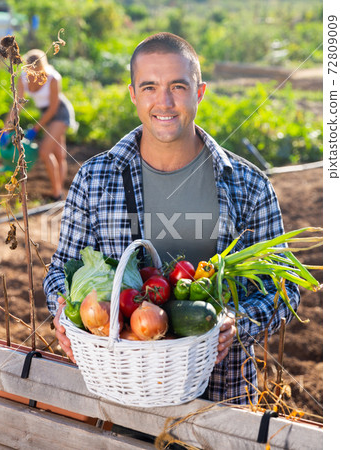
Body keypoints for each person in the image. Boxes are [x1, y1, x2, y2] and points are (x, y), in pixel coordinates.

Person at [43, 33, 300, 405]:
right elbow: (60, 271)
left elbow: (283, 288)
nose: (164, 102)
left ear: (200, 91)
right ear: (133, 94)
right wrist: (63, 313)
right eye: (150, 87)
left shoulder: (249, 185)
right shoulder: (95, 177)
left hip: (221, 392)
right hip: (120, 392)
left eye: (178, 86)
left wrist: (233, 324)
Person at [17, 49, 77, 201]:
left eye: (36, 70)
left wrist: (36, 128)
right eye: (30, 70)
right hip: (46, 114)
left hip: (60, 113)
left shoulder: (53, 78)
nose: (33, 74)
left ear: (42, 68)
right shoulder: (23, 78)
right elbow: (18, 104)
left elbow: (53, 108)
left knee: (44, 151)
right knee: (57, 154)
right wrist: (7, 128)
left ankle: (56, 194)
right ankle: (60, 193)